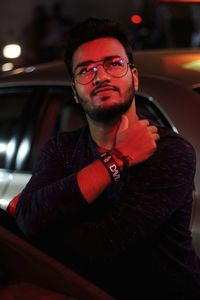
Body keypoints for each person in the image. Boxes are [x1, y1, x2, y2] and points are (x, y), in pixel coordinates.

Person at [14, 18, 200, 299]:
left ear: (134, 76)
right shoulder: (60, 149)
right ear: (75, 92)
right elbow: (29, 219)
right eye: (86, 70)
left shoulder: (171, 152)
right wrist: (119, 158)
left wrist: (40, 227)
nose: (100, 76)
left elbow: (101, 247)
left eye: (114, 63)